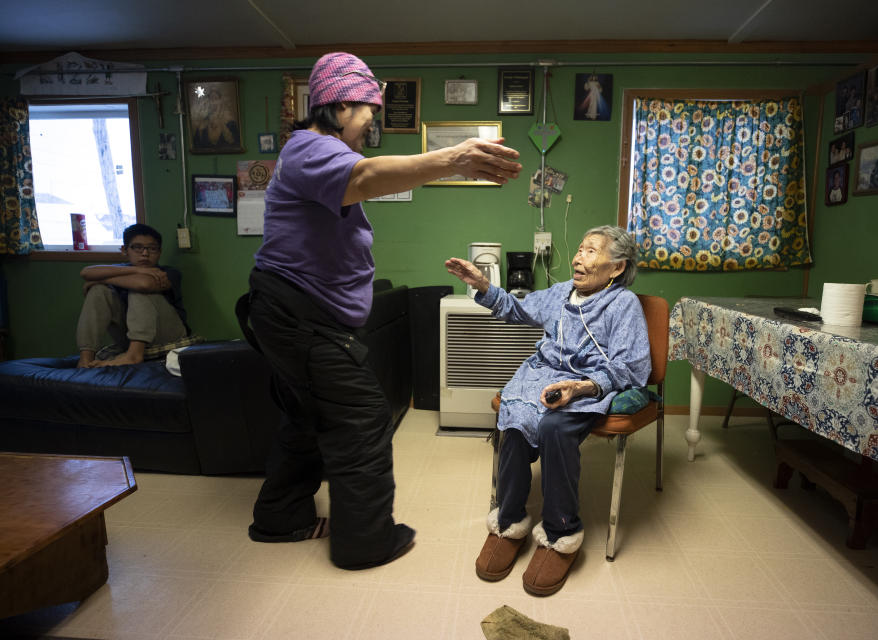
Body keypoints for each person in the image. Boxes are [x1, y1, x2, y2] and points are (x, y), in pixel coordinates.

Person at [237, 52, 521, 570]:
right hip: (300, 317)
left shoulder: (317, 154)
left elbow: (363, 179)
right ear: (339, 104)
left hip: (292, 313)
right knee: (364, 419)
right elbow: (367, 178)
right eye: (368, 108)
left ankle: (280, 517)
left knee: (307, 416)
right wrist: (451, 159)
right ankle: (365, 542)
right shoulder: (310, 148)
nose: (372, 120)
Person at [445, 225, 651, 596]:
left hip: (589, 382)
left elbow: (630, 368)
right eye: (580, 250)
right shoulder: (559, 293)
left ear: (617, 267)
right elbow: (514, 308)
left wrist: (581, 386)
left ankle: (561, 531)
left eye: (591, 251)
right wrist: (482, 285)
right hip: (541, 376)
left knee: (556, 427)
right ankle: (509, 523)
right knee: (514, 419)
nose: (577, 258)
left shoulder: (623, 305)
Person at [76, 223, 188, 368]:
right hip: (128, 335)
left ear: (159, 252)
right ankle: (85, 358)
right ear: (125, 250)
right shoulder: (123, 270)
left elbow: (144, 284)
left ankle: (133, 355)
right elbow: (85, 272)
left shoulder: (167, 273)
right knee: (98, 290)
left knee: (138, 289)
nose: (145, 253)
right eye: (137, 247)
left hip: (168, 334)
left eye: (152, 249)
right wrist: (139, 270)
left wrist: (102, 278)